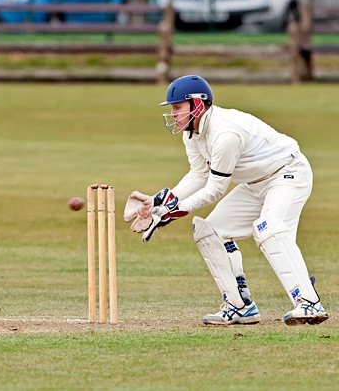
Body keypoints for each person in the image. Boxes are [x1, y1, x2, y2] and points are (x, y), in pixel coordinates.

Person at [124, 75, 328, 326]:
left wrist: (170, 214)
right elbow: (198, 175)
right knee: (208, 231)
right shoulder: (192, 133)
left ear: (197, 105)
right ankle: (240, 306)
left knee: (268, 229)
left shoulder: (226, 134)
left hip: (287, 173)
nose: (173, 113)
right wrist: (158, 204)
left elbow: (214, 190)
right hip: (255, 182)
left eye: (178, 107)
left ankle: (309, 303)